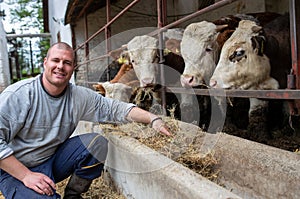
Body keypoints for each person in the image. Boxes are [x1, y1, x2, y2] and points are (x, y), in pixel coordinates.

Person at [0, 42, 171, 199]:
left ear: (73, 67)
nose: (60, 66)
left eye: (67, 62)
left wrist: (153, 118)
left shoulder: (78, 96)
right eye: (55, 60)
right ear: (45, 63)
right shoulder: (19, 95)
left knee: (96, 143)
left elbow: (114, 108)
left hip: (50, 160)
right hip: (14, 170)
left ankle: (72, 196)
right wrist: (26, 175)